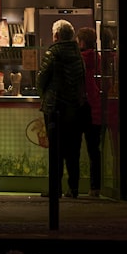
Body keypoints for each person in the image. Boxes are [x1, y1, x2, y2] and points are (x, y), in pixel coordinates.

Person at [38, 19, 88, 199]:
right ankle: (73, 188)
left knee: (56, 150)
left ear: (56, 35)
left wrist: (42, 94)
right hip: (74, 107)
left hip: (54, 107)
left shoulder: (53, 52)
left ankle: (55, 188)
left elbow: (42, 78)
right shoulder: (77, 53)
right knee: (73, 149)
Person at [77, 27, 103, 197]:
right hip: (97, 108)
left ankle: (74, 186)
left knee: (75, 148)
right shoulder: (100, 58)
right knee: (94, 150)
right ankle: (95, 187)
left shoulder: (79, 60)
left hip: (81, 107)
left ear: (82, 42)